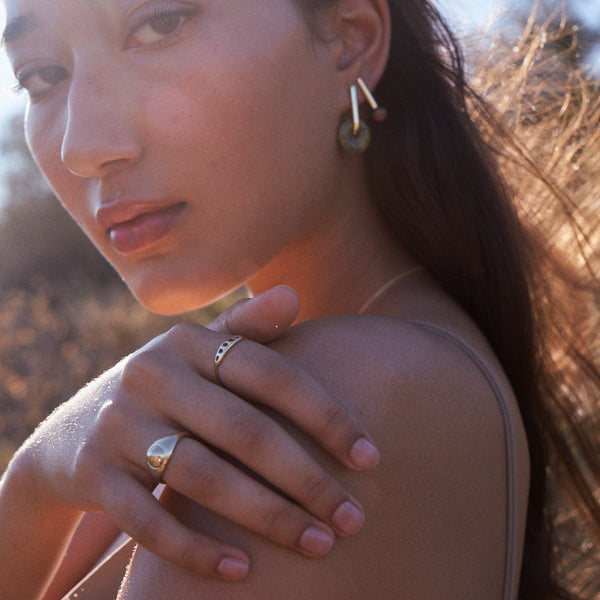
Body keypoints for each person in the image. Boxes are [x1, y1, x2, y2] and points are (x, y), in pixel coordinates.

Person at [0, 0, 598, 599]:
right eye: (41, 75)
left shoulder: (338, 399)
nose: (83, 146)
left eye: (160, 24)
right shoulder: (167, 425)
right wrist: (35, 479)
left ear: (348, 41)